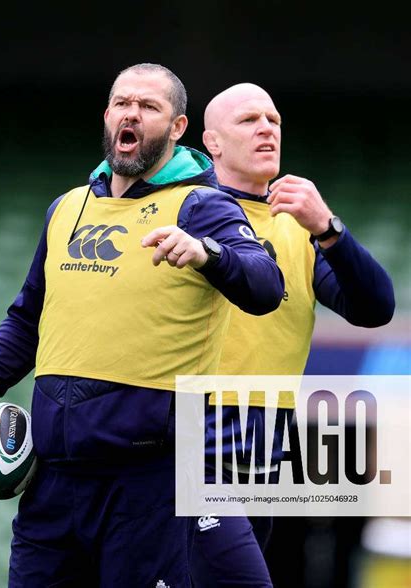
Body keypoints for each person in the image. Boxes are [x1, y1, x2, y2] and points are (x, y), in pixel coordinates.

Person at [0, 65, 285, 588]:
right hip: (54, 482)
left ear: (177, 128)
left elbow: (267, 286)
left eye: (149, 107)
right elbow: (27, 318)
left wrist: (207, 253)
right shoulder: (66, 208)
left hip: (148, 487)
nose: (132, 113)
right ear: (107, 116)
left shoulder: (203, 205)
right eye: (122, 103)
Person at [190, 83, 395, 587]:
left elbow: (375, 308)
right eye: (249, 120)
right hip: (194, 434)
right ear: (211, 142)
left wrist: (329, 228)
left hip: (264, 447)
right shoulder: (186, 209)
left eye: (274, 119)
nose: (267, 128)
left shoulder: (298, 229)